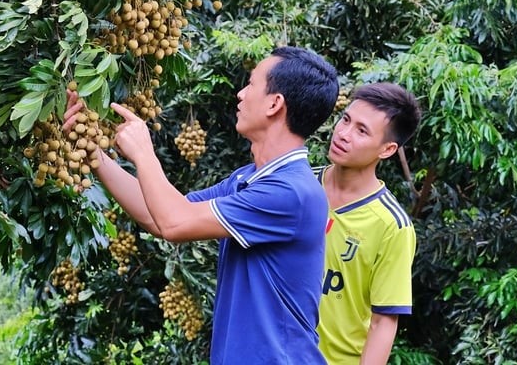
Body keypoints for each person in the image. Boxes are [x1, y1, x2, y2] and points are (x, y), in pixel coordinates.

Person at [64, 46, 339, 364]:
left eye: (250, 84)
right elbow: (160, 214)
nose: (240, 94)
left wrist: (143, 153)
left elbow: (173, 223)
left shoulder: (291, 192)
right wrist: (95, 156)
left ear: (275, 104)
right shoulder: (250, 179)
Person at [315, 82, 421, 364]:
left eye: (362, 131)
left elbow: (383, 322)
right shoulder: (297, 185)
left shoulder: (392, 226)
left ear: (387, 149)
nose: (343, 134)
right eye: (345, 120)